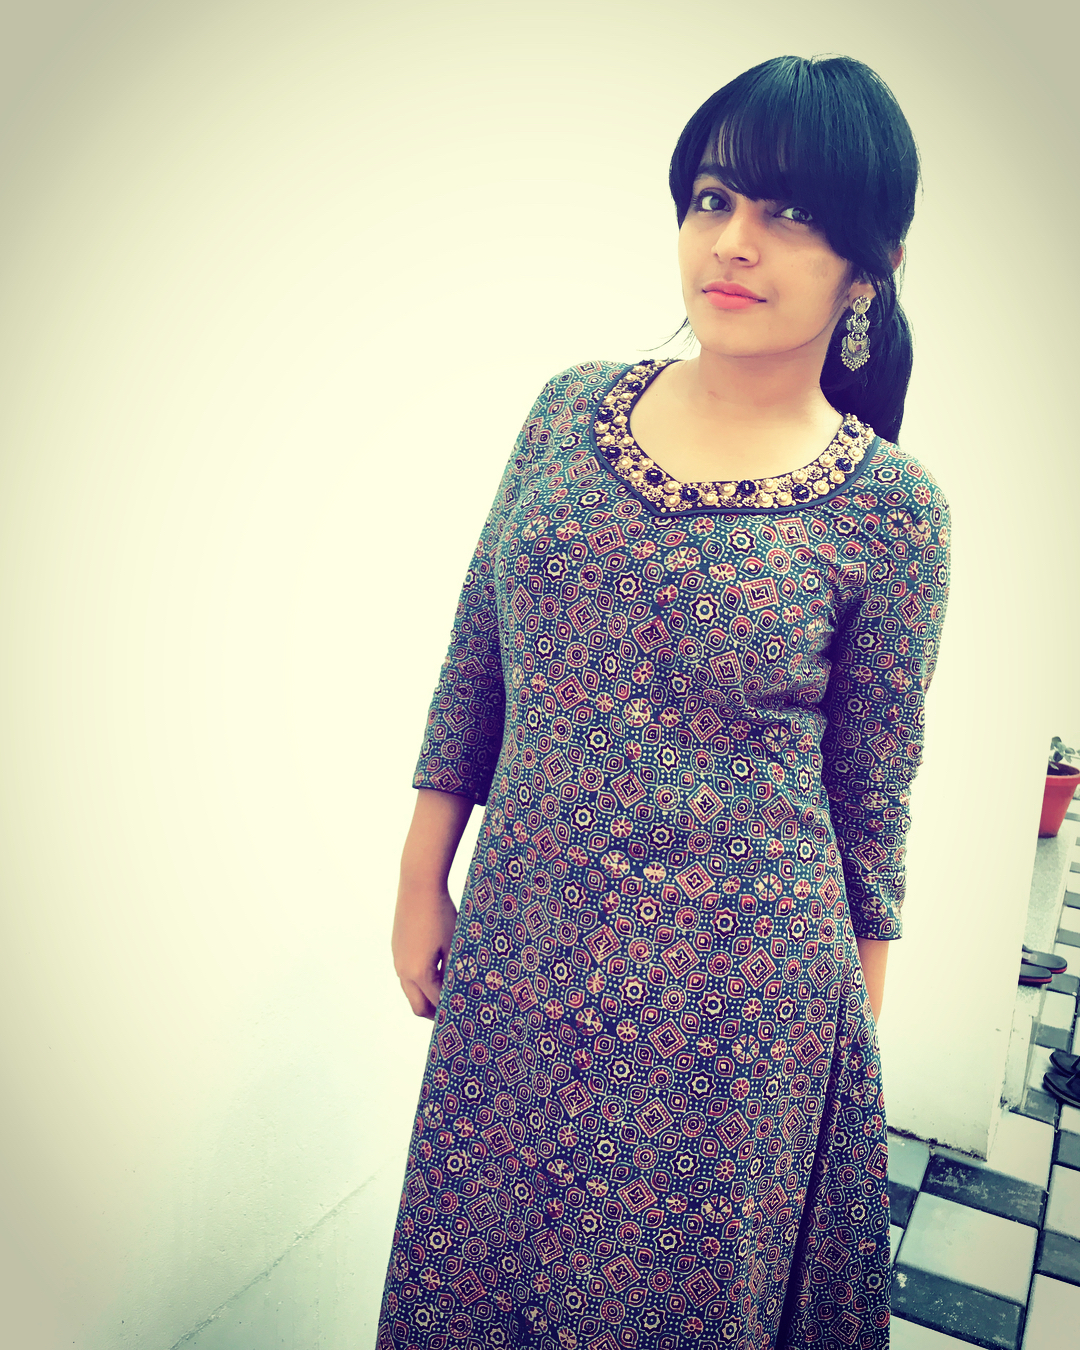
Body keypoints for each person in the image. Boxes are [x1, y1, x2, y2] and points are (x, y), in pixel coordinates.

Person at [379, 52, 951, 1350]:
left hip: (736, 1008)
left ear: (867, 270)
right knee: (473, 1276)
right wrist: (422, 872)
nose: (735, 241)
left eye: (791, 214)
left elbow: (871, 806)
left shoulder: (893, 512)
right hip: (519, 951)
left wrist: (842, 1066)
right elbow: (478, 652)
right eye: (713, 199)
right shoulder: (569, 408)